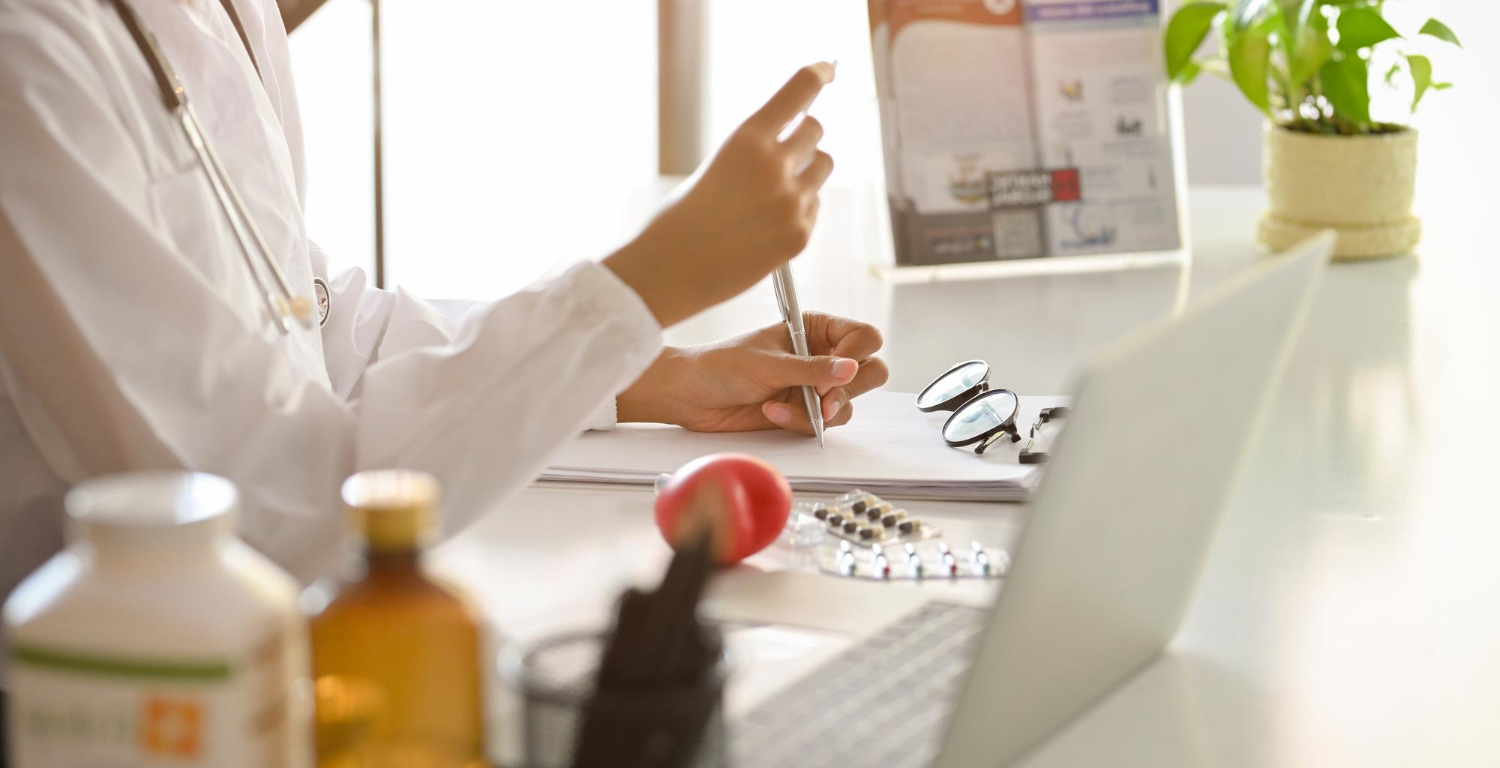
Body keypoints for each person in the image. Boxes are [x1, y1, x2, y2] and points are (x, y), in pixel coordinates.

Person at [0, 0, 889, 595]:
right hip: (96, 722)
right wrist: (642, 287)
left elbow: (311, 327)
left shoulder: (216, 14)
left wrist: (650, 374)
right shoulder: (29, 54)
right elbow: (260, 514)